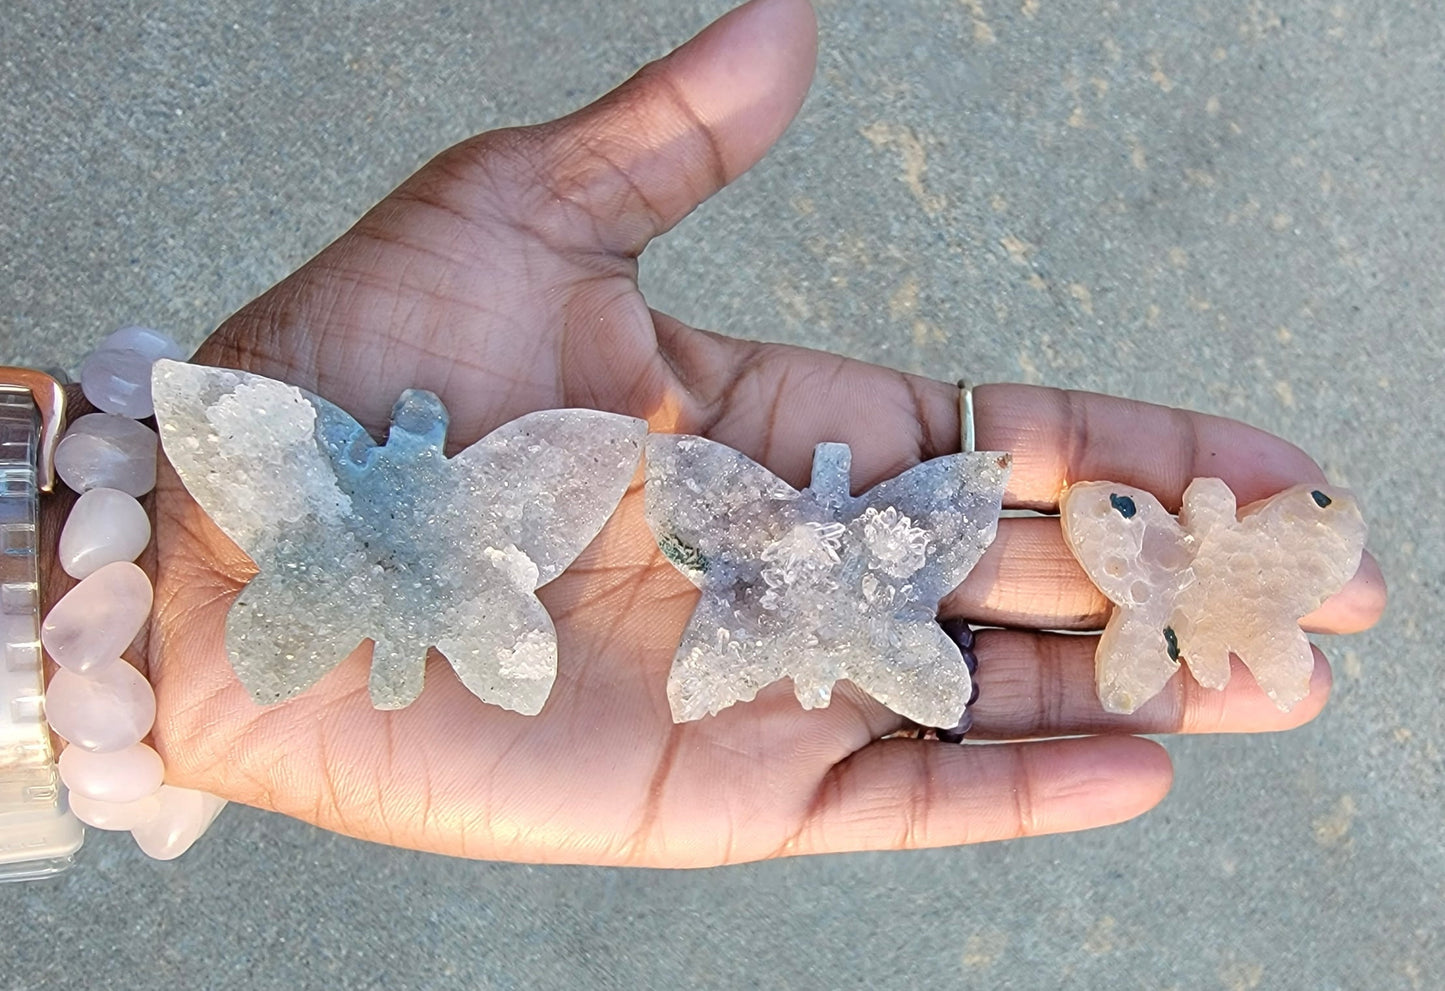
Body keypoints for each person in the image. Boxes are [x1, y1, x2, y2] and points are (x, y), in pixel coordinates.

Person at [56, 0, 1383, 866]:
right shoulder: (583, 485)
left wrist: (110, 566)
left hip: (377, 600)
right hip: (451, 612)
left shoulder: (571, 488)